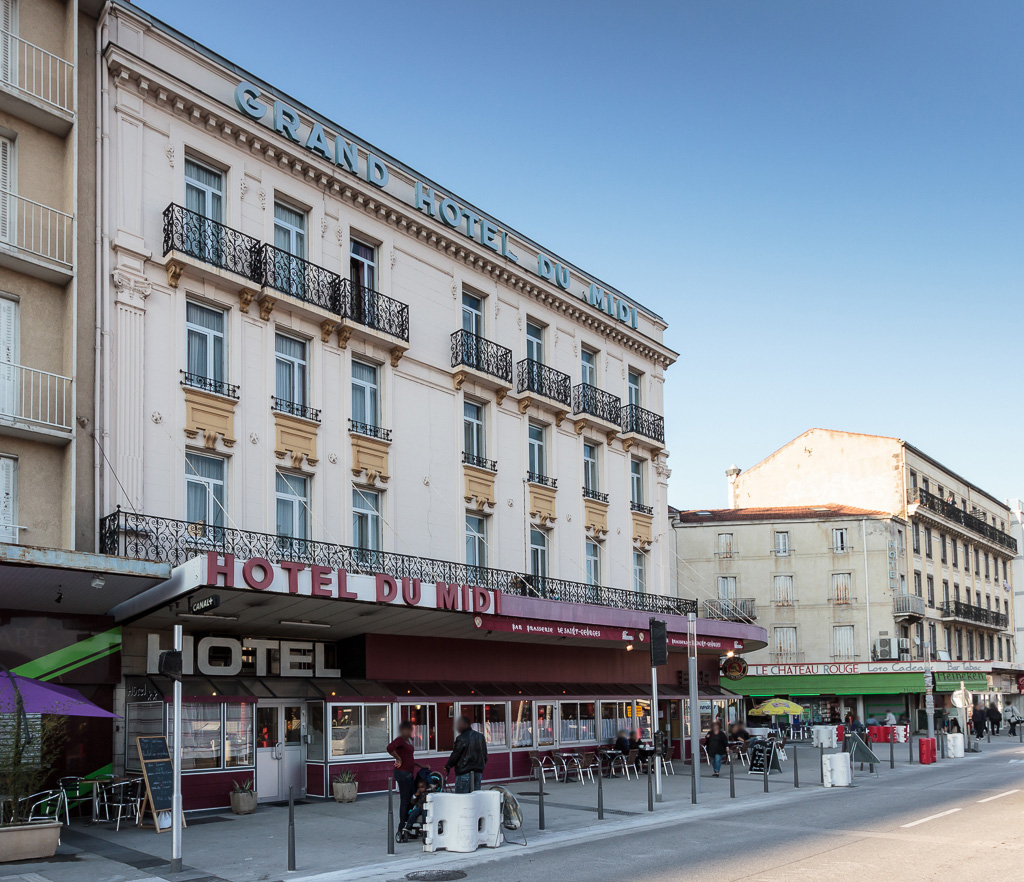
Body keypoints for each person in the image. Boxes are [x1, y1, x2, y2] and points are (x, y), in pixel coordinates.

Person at [387, 720, 420, 825]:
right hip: (403, 773)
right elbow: (390, 748)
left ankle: (409, 821)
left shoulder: (408, 741)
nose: (409, 731)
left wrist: (421, 766)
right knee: (405, 799)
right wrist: (398, 758)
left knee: (412, 798)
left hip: (409, 773)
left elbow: (409, 758)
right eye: (407, 729)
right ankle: (402, 825)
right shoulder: (400, 740)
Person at [445, 715, 487, 793]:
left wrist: (448, 766)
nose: (457, 727)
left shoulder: (461, 738)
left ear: (466, 724)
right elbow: (484, 755)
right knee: (476, 797)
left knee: (462, 799)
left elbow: (455, 755)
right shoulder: (480, 737)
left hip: (464, 772)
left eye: (459, 724)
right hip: (478, 772)